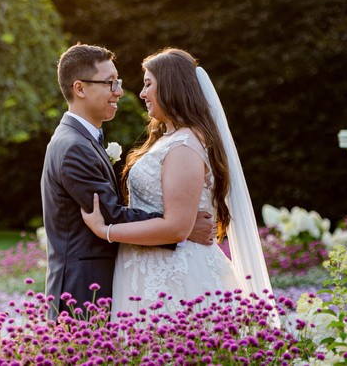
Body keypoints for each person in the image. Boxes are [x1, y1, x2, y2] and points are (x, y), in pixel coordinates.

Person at [80, 47, 275, 319]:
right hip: (148, 269)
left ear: (170, 87)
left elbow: (175, 228)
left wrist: (107, 231)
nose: (142, 93)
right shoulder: (168, 139)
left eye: (149, 84)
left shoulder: (184, 145)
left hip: (174, 275)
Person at [41, 43, 215, 319]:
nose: (120, 91)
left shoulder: (84, 140)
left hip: (121, 283)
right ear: (80, 88)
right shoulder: (74, 146)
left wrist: (176, 226)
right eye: (110, 83)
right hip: (83, 292)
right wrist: (182, 227)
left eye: (117, 82)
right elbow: (111, 215)